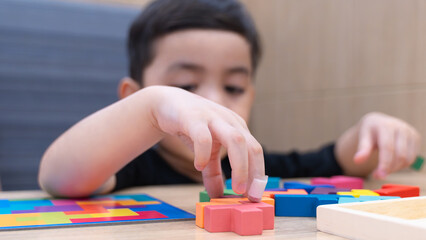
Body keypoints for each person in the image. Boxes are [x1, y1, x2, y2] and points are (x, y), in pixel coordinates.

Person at [38, 0, 421, 201]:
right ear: (134, 98)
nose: (214, 101)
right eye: (186, 87)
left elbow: (336, 161)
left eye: (234, 88)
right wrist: (151, 108)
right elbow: (59, 177)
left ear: (251, 96)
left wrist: (372, 134)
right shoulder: (130, 166)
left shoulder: (260, 167)